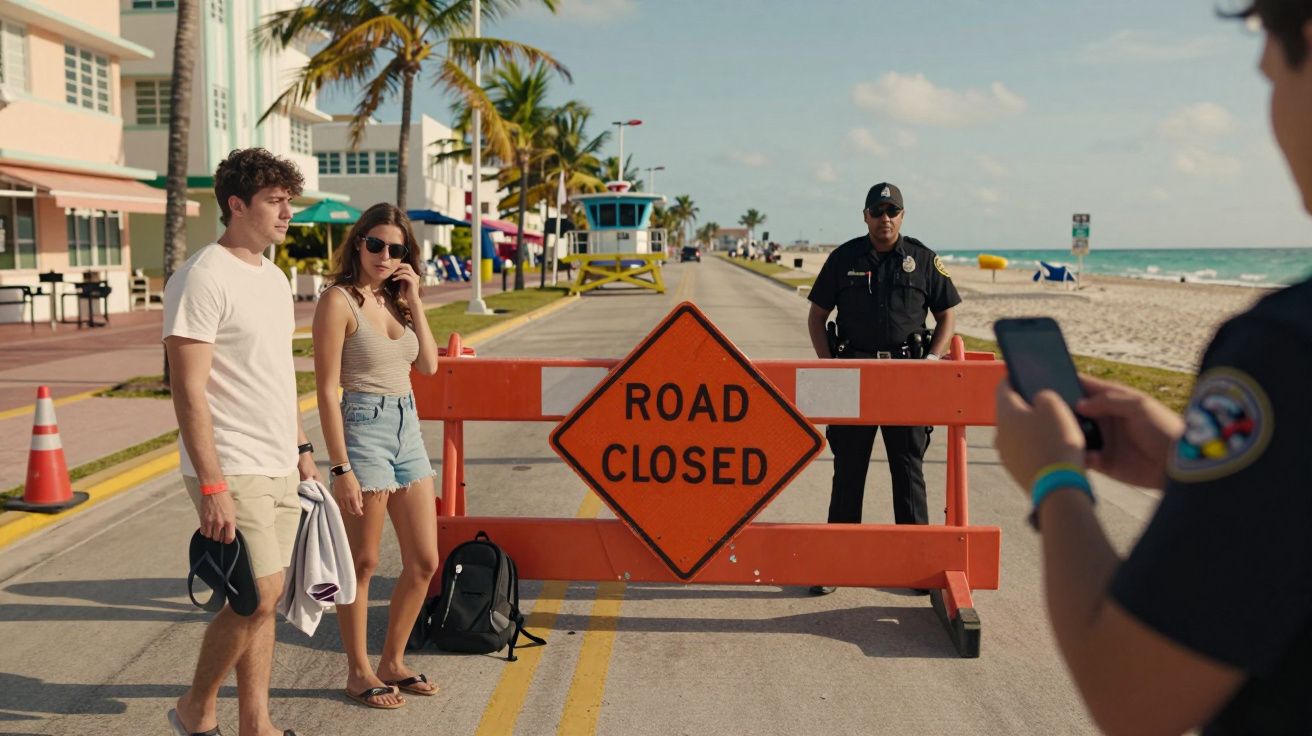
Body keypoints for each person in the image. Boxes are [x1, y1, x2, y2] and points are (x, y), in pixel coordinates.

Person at [992, 3, 1312, 733]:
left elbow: (1130, 697)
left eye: (1271, 77)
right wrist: (1187, 464)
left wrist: (1054, 478)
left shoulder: (1284, 356)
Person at [163, 148, 314, 736]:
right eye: (275, 202)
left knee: (265, 597)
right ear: (236, 204)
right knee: (259, 593)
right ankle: (195, 710)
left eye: (288, 202)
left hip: (278, 459)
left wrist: (302, 450)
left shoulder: (274, 277)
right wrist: (212, 485)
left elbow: (277, 374)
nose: (287, 214)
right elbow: (188, 390)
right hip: (232, 462)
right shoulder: (201, 276)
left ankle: (257, 725)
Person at [313, 203, 441, 709]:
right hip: (363, 429)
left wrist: (416, 300)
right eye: (376, 245)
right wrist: (340, 467)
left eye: (397, 249)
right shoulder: (337, 301)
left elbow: (428, 365)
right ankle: (359, 671)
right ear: (358, 242)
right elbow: (325, 392)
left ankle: (392, 660)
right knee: (363, 563)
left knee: (425, 562)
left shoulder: (397, 301)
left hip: (407, 428)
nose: (385, 256)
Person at [805, 182, 961, 595]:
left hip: (908, 379)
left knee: (908, 471)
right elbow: (817, 315)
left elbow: (947, 315)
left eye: (892, 211)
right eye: (878, 211)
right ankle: (836, 565)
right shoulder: (844, 258)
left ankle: (916, 567)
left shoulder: (924, 260)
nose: (885, 218)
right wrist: (829, 368)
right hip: (854, 377)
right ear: (865, 216)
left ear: (903, 216)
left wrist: (931, 361)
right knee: (848, 470)